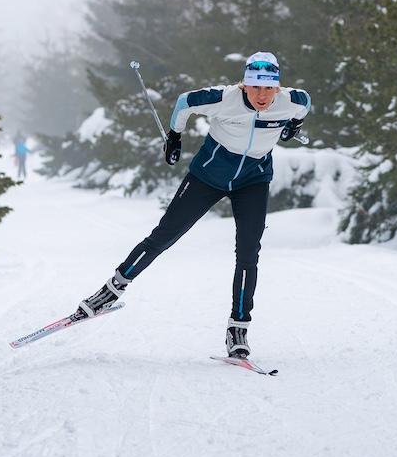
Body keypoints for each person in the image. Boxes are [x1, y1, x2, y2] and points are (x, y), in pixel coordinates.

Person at [75, 51, 311, 359]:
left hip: (253, 180)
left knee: (249, 251)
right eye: (256, 88)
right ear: (244, 86)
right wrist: (175, 136)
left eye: (269, 89)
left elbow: (305, 104)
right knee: (163, 237)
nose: (262, 96)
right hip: (207, 178)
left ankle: (237, 328)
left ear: (277, 88)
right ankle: (111, 290)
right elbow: (185, 102)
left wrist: (293, 126)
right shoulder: (222, 99)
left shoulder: (290, 101)